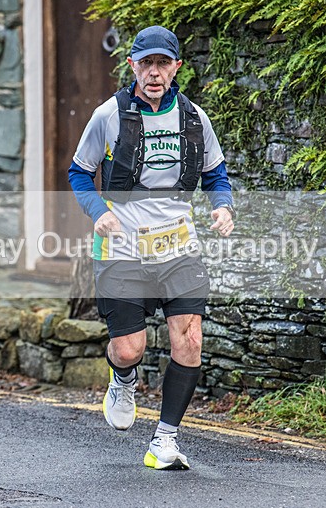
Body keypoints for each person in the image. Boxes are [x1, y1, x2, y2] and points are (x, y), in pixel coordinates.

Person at [68, 26, 234, 470]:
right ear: (133, 67)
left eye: (163, 63)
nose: (155, 73)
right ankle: (122, 379)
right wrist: (98, 210)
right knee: (129, 349)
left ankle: (165, 440)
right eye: (146, 64)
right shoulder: (109, 115)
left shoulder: (195, 118)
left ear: (177, 67)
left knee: (190, 337)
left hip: (179, 245)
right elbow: (79, 174)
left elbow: (217, 175)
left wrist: (223, 206)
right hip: (121, 247)